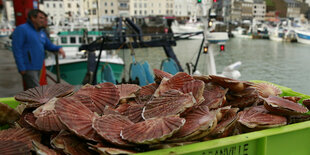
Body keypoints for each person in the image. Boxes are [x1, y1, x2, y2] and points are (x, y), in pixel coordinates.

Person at [12, 9, 65, 90]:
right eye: (41, 18)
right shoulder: (21, 29)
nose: (43, 20)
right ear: (33, 18)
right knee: (36, 91)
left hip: (38, 66)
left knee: (33, 91)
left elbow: (49, 45)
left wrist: (59, 48)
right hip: (28, 67)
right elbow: (17, 49)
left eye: (44, 18)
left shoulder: (41, 32)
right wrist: (21, 67)